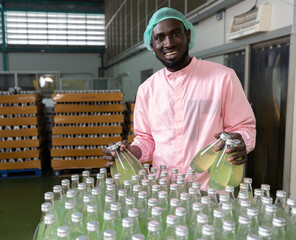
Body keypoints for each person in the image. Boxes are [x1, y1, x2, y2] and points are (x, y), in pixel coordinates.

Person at [103, 7, 256, 191]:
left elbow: (244, 127)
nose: (168, 43)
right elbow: (146, 139)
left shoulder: (222, 78)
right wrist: (130, 152)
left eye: (175, 33)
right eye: (160, 38)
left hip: (209, 190)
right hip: (163, 190)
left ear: (188, 36)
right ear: (152, 45)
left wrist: (241, 141)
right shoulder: (147, 90)